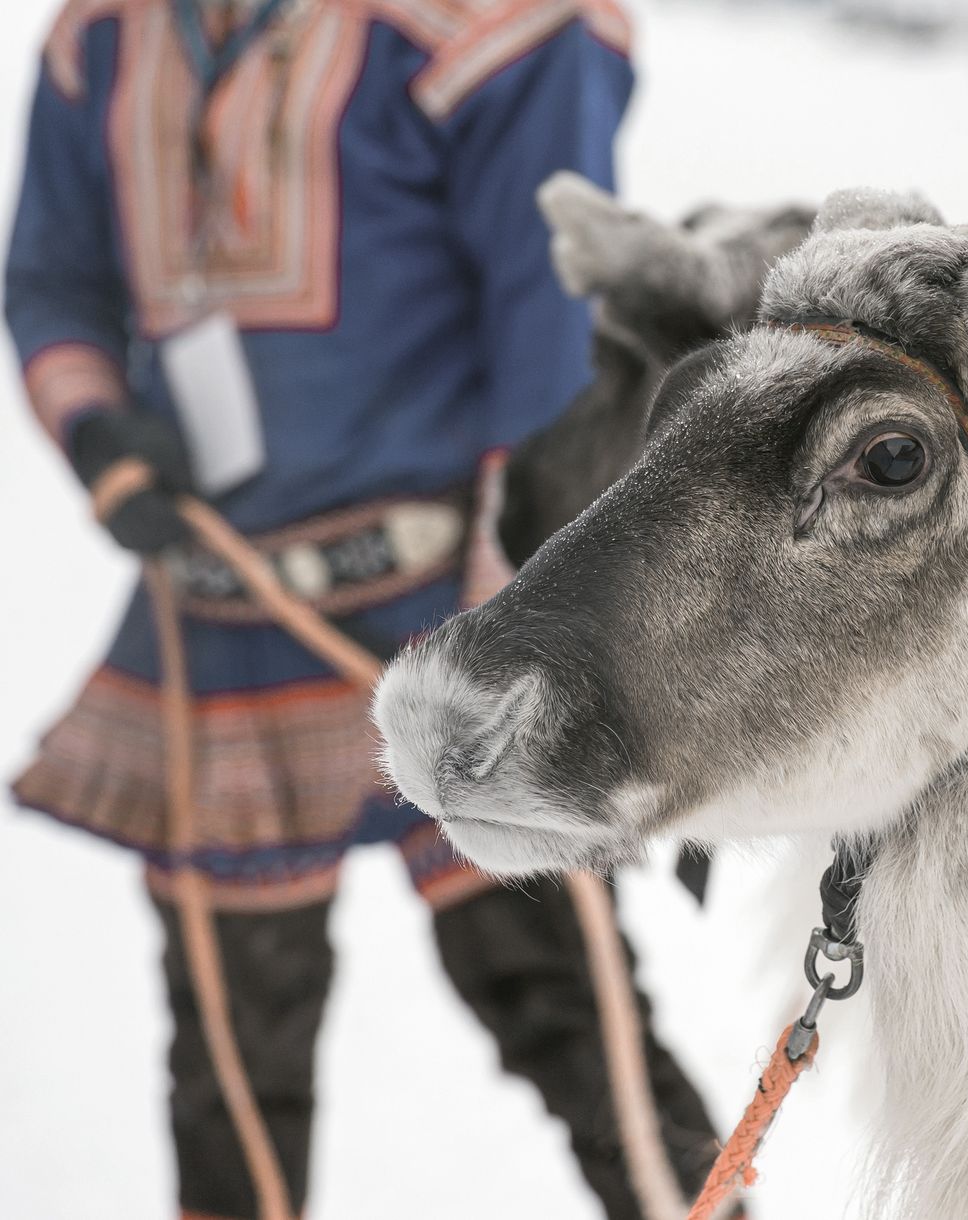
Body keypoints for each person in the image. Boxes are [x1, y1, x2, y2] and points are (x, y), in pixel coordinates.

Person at [5, 1, 722, 1216]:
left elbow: (544, 335)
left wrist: (534, 619)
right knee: (232, 1063)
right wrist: (100, 434)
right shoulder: (101, 40)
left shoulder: (482, 29)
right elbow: (51, 277)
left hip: (454, 607)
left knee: (568, 1007)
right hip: (216, 621)